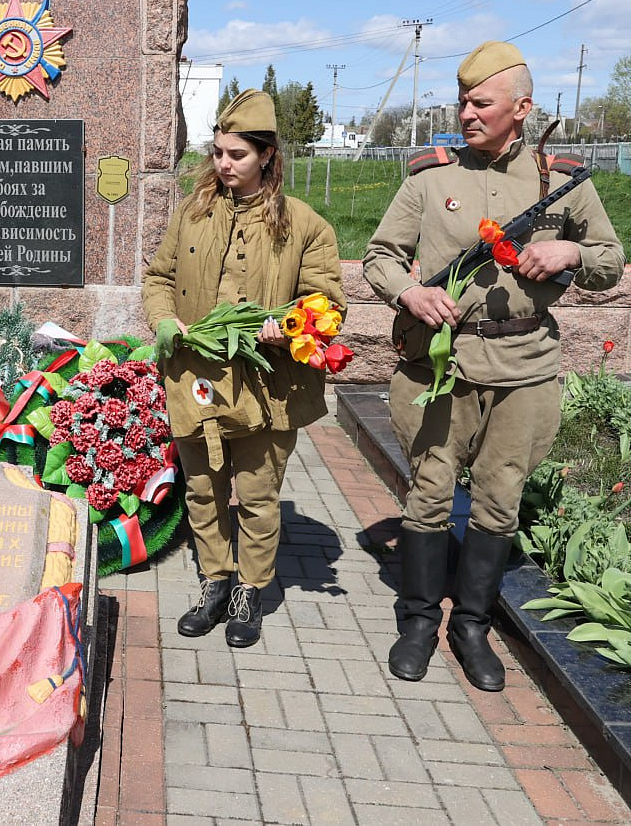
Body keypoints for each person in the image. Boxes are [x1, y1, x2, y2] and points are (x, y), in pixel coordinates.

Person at [364, 41, 624, 692]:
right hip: (441, 366)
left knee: (500, 500)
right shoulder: (432, 175)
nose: (466, 113)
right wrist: (410, 292)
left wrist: (569, 252)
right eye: (463, 101)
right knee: (428, 495)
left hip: (524, 367)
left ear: (522, 108)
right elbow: (380, 255)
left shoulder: (561, 178)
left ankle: (472, 626)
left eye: (481, 102)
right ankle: (419, 622)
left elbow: (609, 261)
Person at [143, 89, 345, 647]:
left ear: (267, 155)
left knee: (256, 497)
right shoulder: (193, 214)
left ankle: (249, 591)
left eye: (236, 154)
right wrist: (163, 318)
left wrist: (292, 326)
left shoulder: (305, 226)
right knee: (203, 490)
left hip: (266, 385)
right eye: (217, 153)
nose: (223, 164)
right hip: (197, 380)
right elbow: (160, 277)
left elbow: (328, 305)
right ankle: (214, 582)